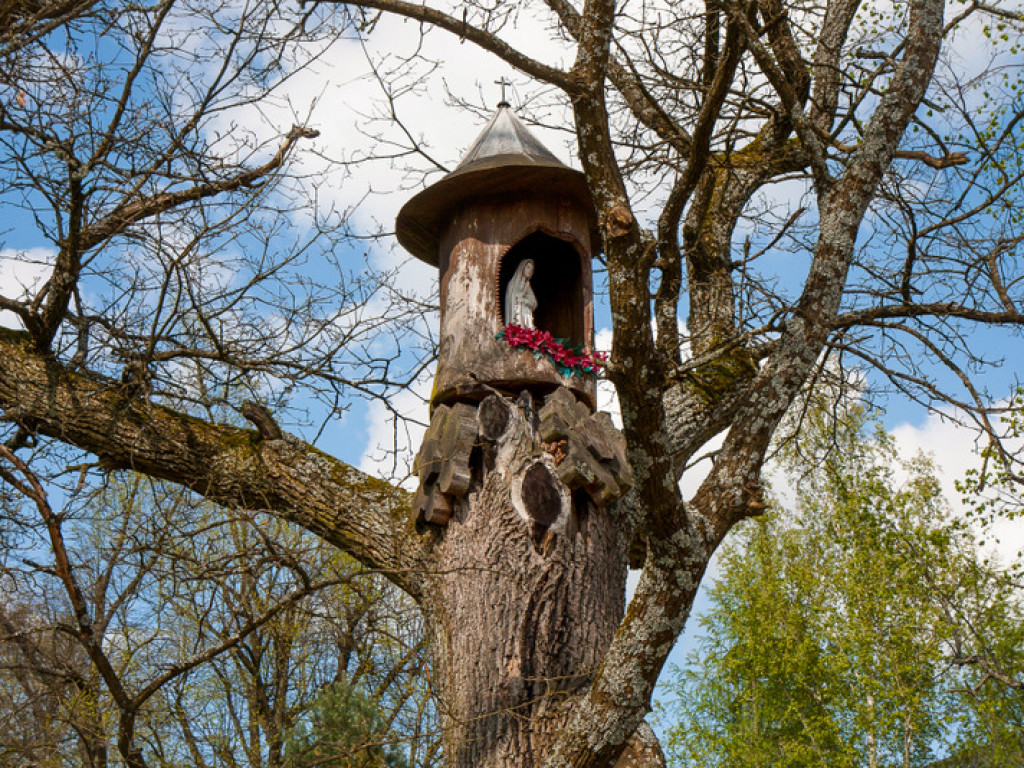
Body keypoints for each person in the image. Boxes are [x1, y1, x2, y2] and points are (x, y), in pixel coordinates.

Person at [504, 259, 537, 328]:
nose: (530, 270)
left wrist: (525, 301)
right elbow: (514, 299)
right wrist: (523, 292)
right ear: (522, 267)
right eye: (528, 267)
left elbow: (534, 303)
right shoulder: (512, 284)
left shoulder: (528, 286)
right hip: (516, 319)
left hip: (526, 317)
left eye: (532, 269)